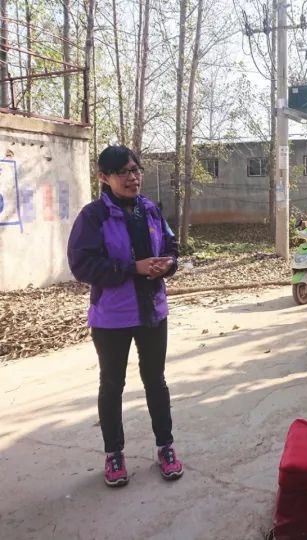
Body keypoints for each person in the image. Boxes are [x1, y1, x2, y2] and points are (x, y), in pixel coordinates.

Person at [67, 145, 184, 488]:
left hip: (153, 312)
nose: (133, 178)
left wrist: (169, 264)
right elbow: (82, 265)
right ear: (104, 177)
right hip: (112, 318)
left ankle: (165, 447)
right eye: (124, 172)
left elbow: (172, 247)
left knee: (156, 381)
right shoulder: (93, 217)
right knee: (112, 385)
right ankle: (114, 454)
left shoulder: (150, 209)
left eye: (136, 170)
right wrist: (132, 268)